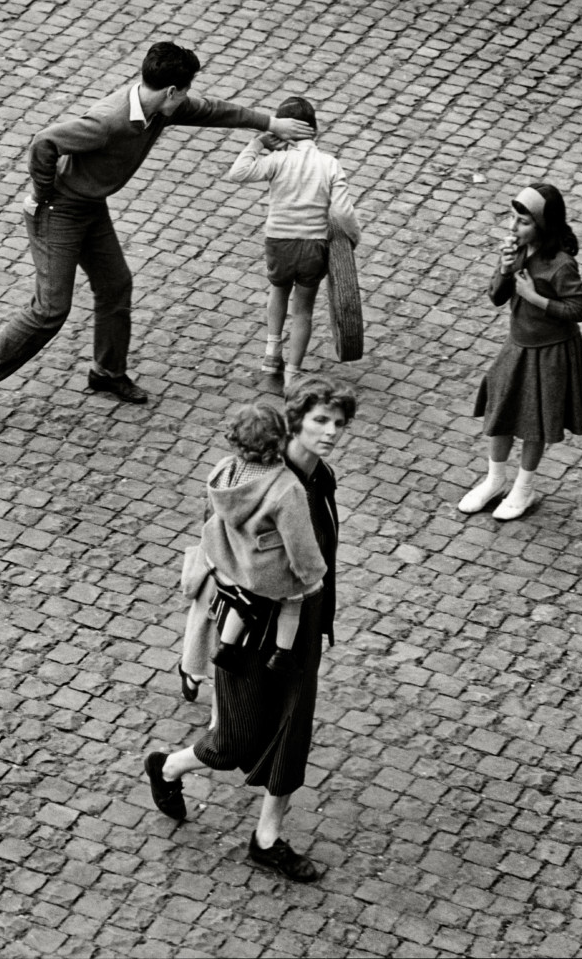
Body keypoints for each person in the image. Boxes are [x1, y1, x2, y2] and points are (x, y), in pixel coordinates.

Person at [0, 43, 315, 431]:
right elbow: (45, 143)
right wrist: (41, 196)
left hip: (90, 207)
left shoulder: (161, 108)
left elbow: (213, 110)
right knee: (50, 309)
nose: (189, 97)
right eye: (186, 90)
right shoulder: (111, 120)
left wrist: (269, 124)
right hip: (58, 212)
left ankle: (107, 371)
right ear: (172, 91)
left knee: (115, 284)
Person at [145, 376, 356, 883]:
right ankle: (167, 767)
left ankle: (267, 837)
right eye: (320, 421)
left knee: (292, 729)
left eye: (339, 424)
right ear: (296, 420)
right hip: (251, 623)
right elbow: (215, 539)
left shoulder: (319, 478)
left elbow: (318, 556)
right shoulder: (263, 479)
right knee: (232, 742)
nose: (330, 432)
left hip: (300, 619)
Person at [459, 183, 582, 520]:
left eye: (523, 222)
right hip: (518, 346)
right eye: (513, 218)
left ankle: (523, 488)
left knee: (536, 422)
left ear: (543, 226)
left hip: (550, 353)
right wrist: (504, 269)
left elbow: (577, 310)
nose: (513, 227)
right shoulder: (517, 250)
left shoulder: (561, 265)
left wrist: (535, 298)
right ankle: (495, 480)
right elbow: (496, 296)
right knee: (501, 412)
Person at [227, 97, 360, 387]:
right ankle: (293, 374)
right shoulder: (329, 164)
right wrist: (353, 237)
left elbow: (237, 173)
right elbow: (341, 211)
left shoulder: (277, 161)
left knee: (278, 291)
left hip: (278, 242)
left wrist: (259, 142)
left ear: (284, 131)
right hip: (313, 245)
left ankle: (271, 353)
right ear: (315, 130)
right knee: (303, 310)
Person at [200, 402, 326, 677]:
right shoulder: (286, 488)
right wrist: (312, 575)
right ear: (281, 439)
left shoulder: (224, 470)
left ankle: (226, 647)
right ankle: (282, 654)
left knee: (242, 604)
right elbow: (299, 542)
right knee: (292, 603)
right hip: (268, 572)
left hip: (233, 561)